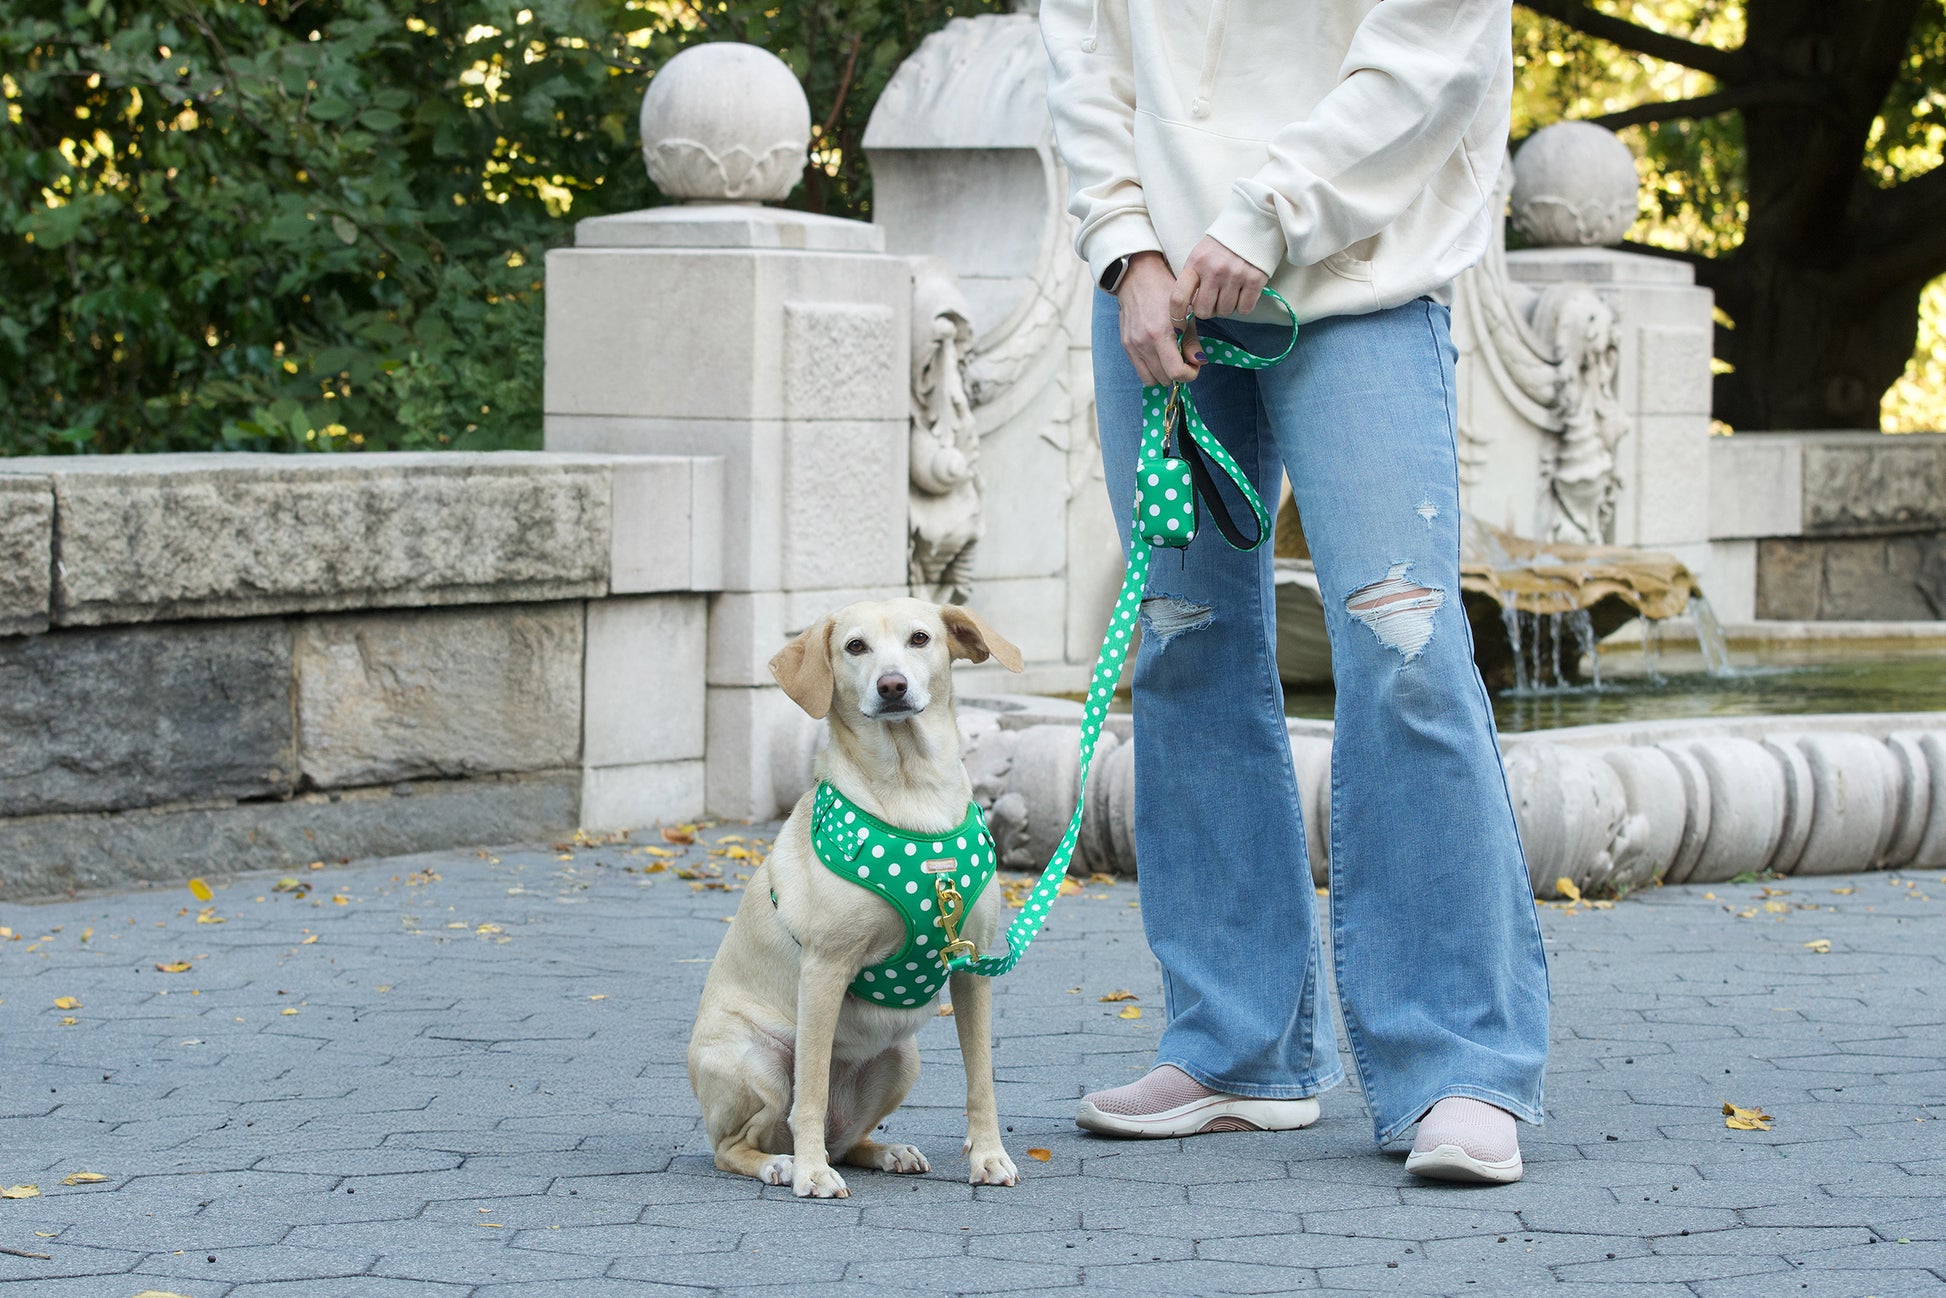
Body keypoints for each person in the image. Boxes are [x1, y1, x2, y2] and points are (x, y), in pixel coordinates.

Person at [1039, 0, 1550, 1183]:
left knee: (1405, 641)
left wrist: (1265, 212)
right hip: (1159, 284)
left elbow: (1432, 55)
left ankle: (1458, 1065)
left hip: (1357, 272)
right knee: (1181, 644)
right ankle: (1236, 1044)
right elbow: (1080, 52)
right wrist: (1125, 248)